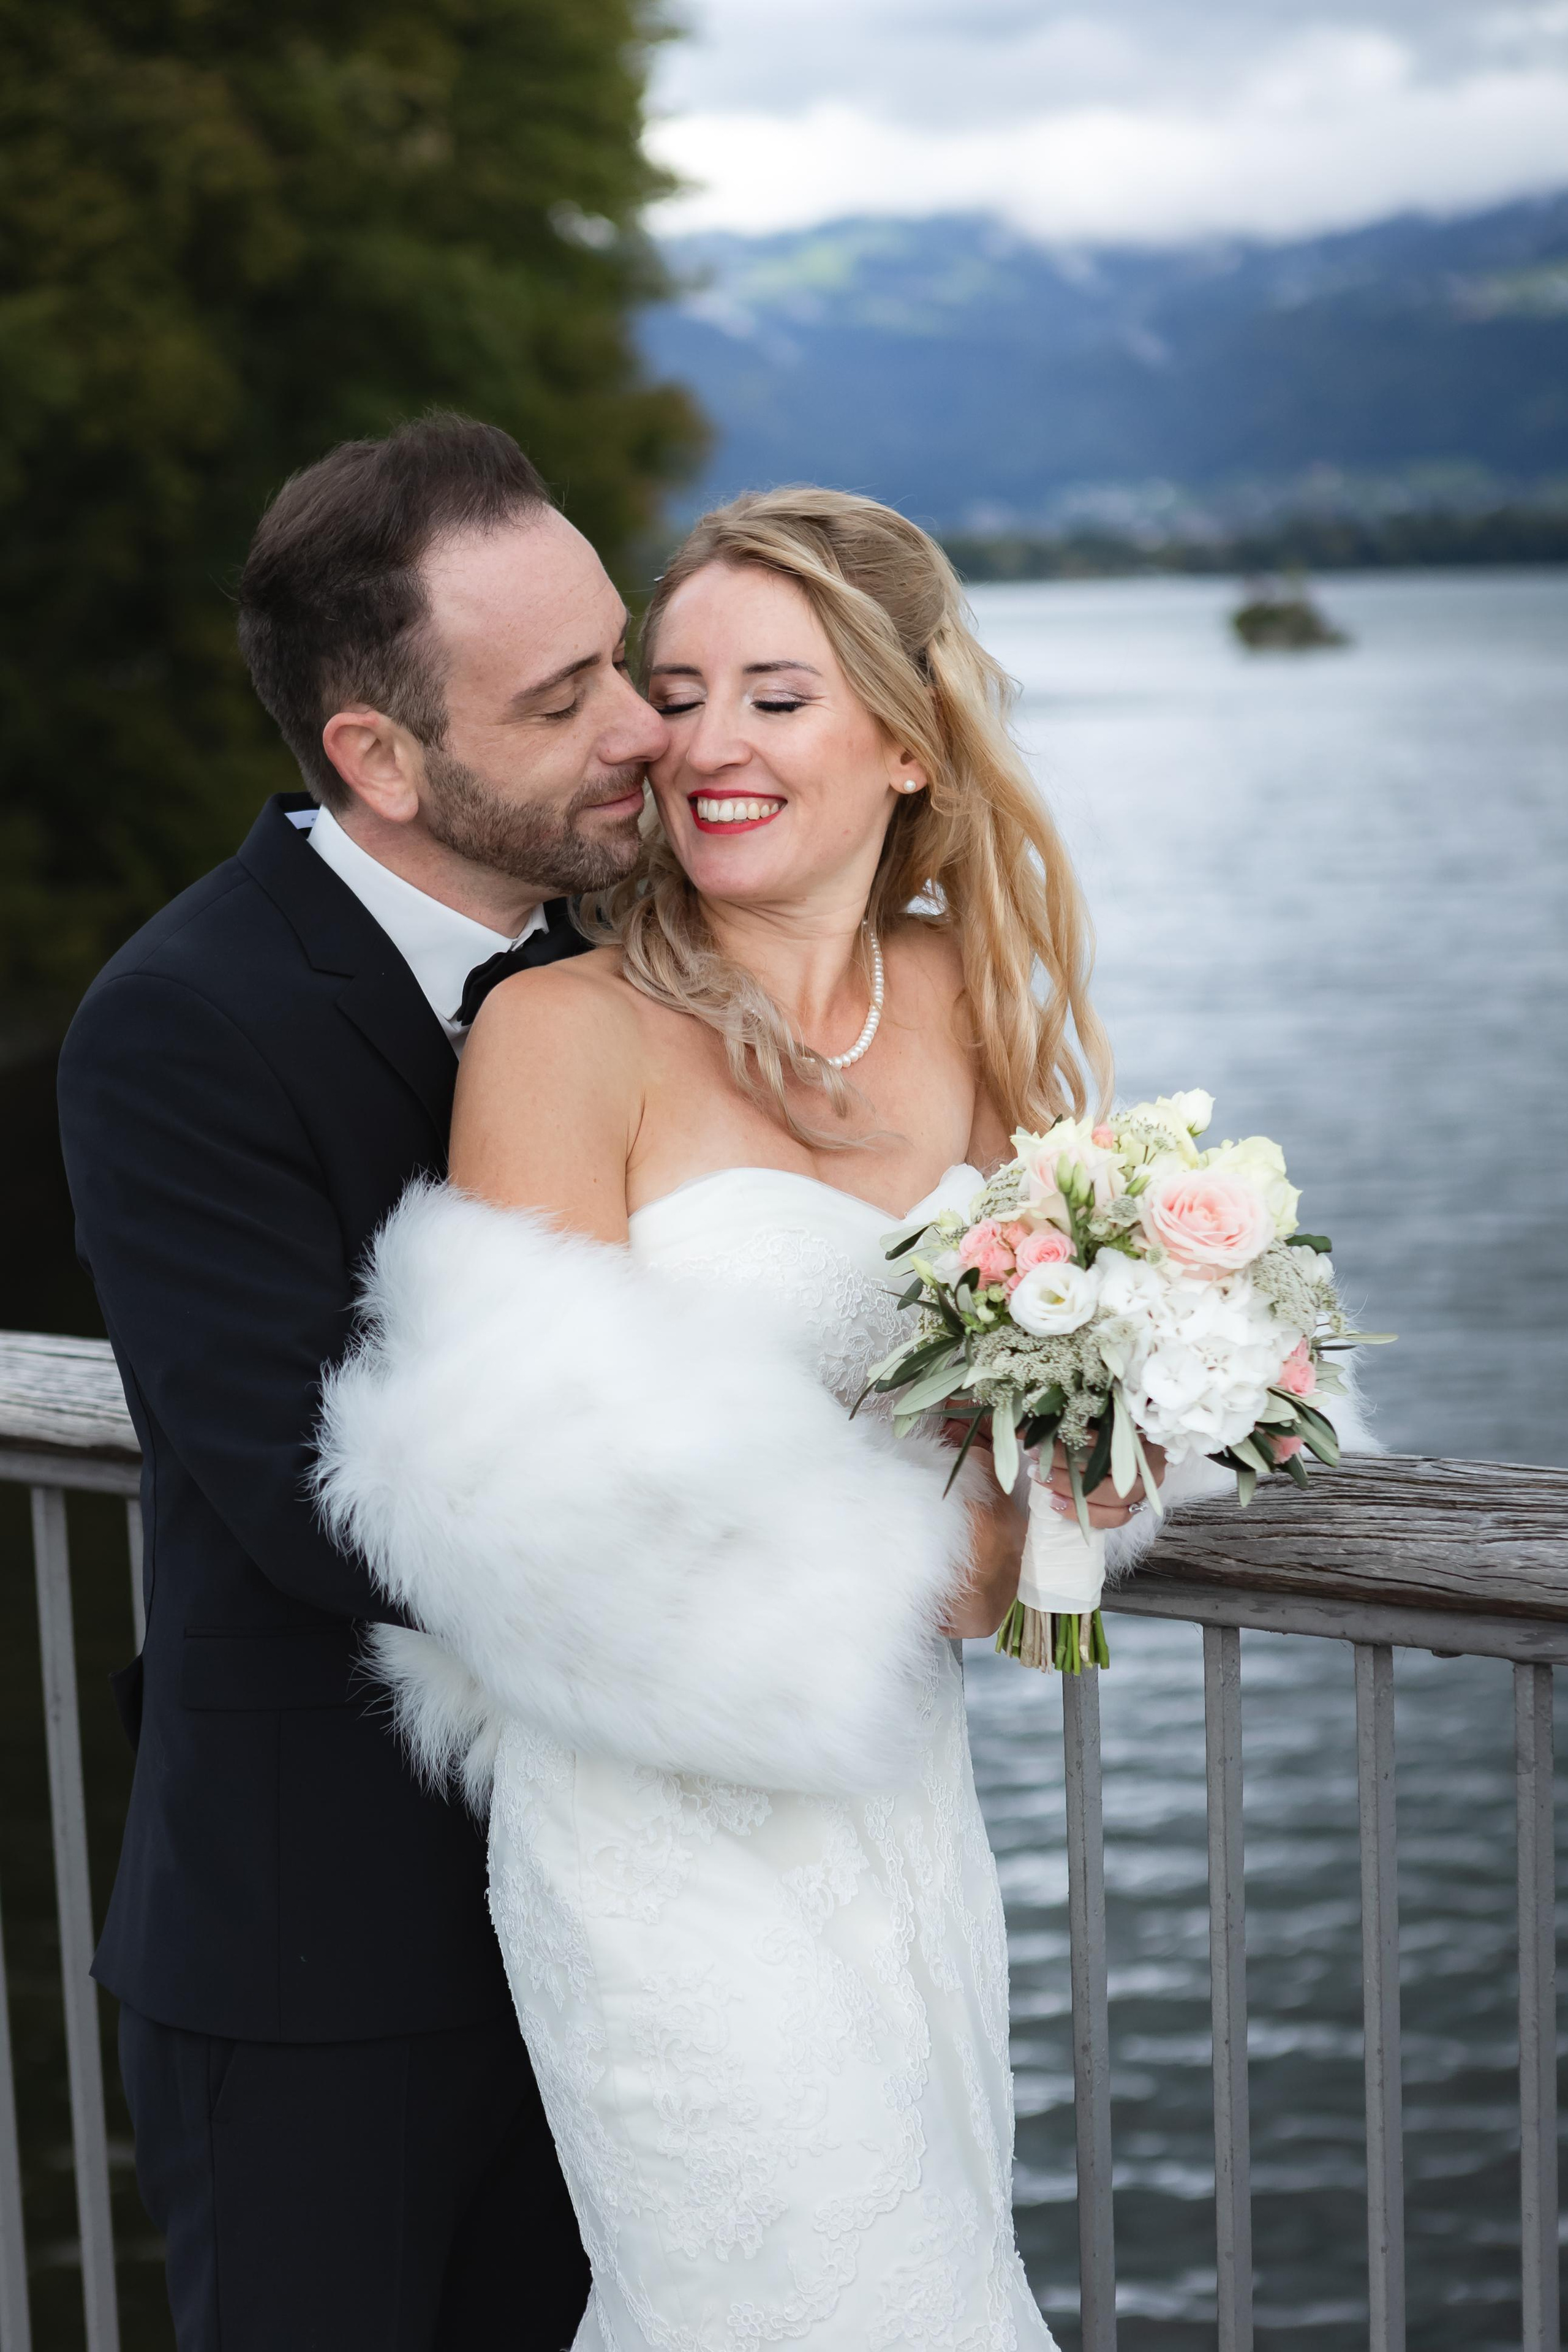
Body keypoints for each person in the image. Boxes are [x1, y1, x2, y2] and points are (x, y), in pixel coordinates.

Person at [316, 486, 1157, 2348]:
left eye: (775, 696)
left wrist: (1139, 1422)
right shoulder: (563, 1031)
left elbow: (1052, 1406)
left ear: (908, 738)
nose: (701, 743)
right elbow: (525, 1518)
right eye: (676, 690)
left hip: (899, 1809)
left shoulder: (983, 1001)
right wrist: (944, 1569)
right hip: (647, 1829)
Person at [55, 412, 669, 2350]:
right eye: (566, 698)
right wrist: (784, 1567)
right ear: (379, 759)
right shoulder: (181, 1023)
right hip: (323, 1958)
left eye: (626, 655)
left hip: (635, 1931)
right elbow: (323, 1495)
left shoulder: (657, 951)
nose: (648, 728)